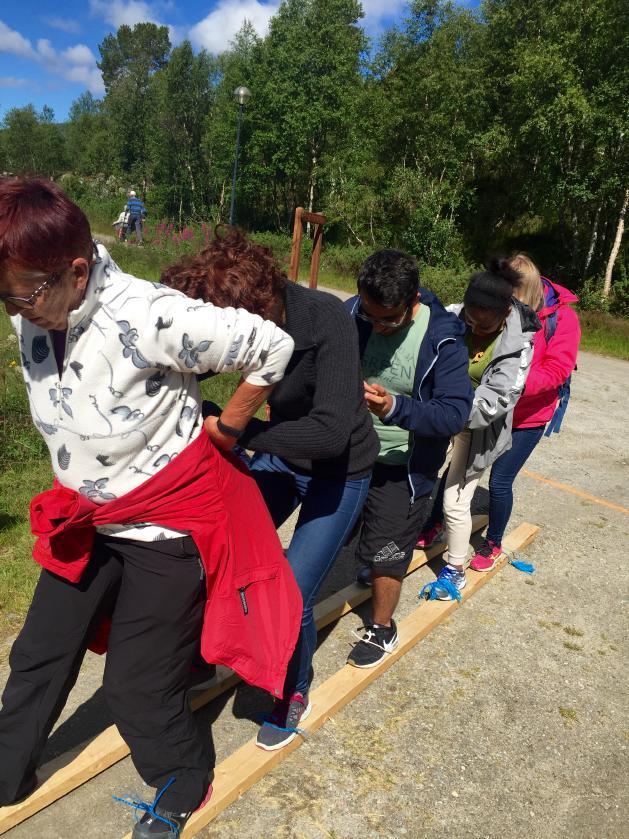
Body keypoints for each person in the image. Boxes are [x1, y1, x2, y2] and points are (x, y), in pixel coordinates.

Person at [0, 178, 301, 839]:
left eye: (21, 293)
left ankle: (183, 775)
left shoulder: (155, 316)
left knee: (136, 685)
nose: (14, 309)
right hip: (86, 515)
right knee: (39, 653)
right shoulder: (36, 302)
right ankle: (7, 768)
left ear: (75, 272)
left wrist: (229, 428)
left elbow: (271, 347)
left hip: (164, 530)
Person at [160, 228, 379, 750]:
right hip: (283, 457)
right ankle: (207, 657)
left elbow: (329, 431)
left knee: (291, 589)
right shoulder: (243, 319)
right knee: (219, 553)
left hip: (340, 467)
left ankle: (292, 690)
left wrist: (240, 430)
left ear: (270, 300)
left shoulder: (326, 319)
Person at [343, 249, 473, 668]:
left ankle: (382, 627)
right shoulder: (353, 313)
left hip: (403, 466)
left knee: (388, 550)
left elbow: (454, 413)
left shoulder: (444, 336)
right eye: (371, 316)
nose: (377, 327)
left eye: (389, 320)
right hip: (348, 452)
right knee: (348, 532)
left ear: (413, 299)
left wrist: (395, 409)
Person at [416, 258, 540, 599]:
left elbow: (499, 398)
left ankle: (454, 570)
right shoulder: (454, 315)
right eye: (470, 321)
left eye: (485, 327)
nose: (475, 330)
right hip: (439, 411)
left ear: (504, 316)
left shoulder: (520, 343)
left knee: (457, 498)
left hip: (476, 425)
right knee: (416, 475)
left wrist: (445, 411)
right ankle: (424, 529)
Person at [469, 254, 580, 570]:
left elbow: (557, 369)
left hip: (527, 416)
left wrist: (511, 383)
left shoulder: (563, 319)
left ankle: (492, 544)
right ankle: (435, 523)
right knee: (462, 469)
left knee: (500, 480)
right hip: (491, 407)